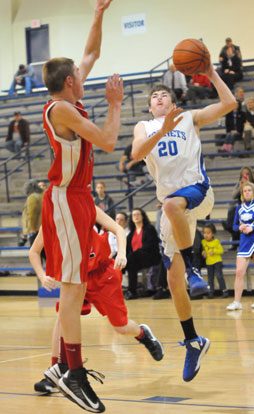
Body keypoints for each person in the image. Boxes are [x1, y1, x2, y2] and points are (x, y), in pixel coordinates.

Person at [41, 1, 123, 412]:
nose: (84, 72)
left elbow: (90, 53)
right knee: (72, 291)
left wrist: (98, 13)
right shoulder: (64, 110)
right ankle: (70, 372)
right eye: (79, 74)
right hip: (67, 200)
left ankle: (64, 368)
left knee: (75, 289)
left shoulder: (68, 96)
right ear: (70, 82)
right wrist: (114, 104)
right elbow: (108, 140)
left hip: (78, 200)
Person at [132, 60, 236, 382]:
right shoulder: (145, 127)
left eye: (164, 95)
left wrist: (211, 72)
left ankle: (194, 267)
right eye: (155, 97)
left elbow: (230, 104)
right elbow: (136, 153)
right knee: (174, 282)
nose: (160, 99)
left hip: (197, 193)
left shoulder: (189, 119)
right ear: (150, 107)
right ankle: (194, 340)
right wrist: (160, 132)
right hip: (171, 208)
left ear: (174, 103)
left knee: (173, 206)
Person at [32, 207, 164, 394]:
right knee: (63, 317)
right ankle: (55, 373)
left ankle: (143, 334)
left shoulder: (86, 207)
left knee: (121, 326)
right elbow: (34, 252)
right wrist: (42, 275)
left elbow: (118, 229)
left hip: (103, 275)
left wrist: (122, 254)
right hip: (76, 277)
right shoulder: (51, 220)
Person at [226, 182, 254, 311]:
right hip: (244, 242)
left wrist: (252, 227)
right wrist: (240, 227)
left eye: (249, 190)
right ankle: (237, 302)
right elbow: (233, 226)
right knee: (239, 272)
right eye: (245, 191)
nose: (247, 192)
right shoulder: (239, 208)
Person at [124, 208, 162, 300]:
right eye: (134, 215)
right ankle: (132, 291)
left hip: (150, 257)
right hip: (135, 260)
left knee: (130, 259)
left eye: (138, 214)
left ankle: (131, 290)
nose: (136, 216)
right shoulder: (131, 234)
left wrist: (133, 254)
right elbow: (127, 249)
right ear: (131, 218)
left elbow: (150, 246)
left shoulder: (149, 229)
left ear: (143, 216)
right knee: (127, 263)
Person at [222, 167, 254, 250]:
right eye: (243, 174)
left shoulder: (253, 184)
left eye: (247, 174)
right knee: (231, 211)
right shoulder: (239, 184)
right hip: (241, 207)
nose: (245, 176)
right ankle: (235, 237)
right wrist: (241, 187)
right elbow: (233, 196)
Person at [202, 223, 228, 299]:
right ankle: (211, 292)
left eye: (208, 233)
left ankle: (224, 291)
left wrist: (214, 251)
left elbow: (221, 250)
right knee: (210, 278)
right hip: (209, 262)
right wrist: (204, 253)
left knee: (219, 276)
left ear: (213, 234)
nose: (206, 235)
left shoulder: (216, 241)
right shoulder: (203, 242)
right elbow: (203, 250)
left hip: (217, 262)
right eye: (204, 233)